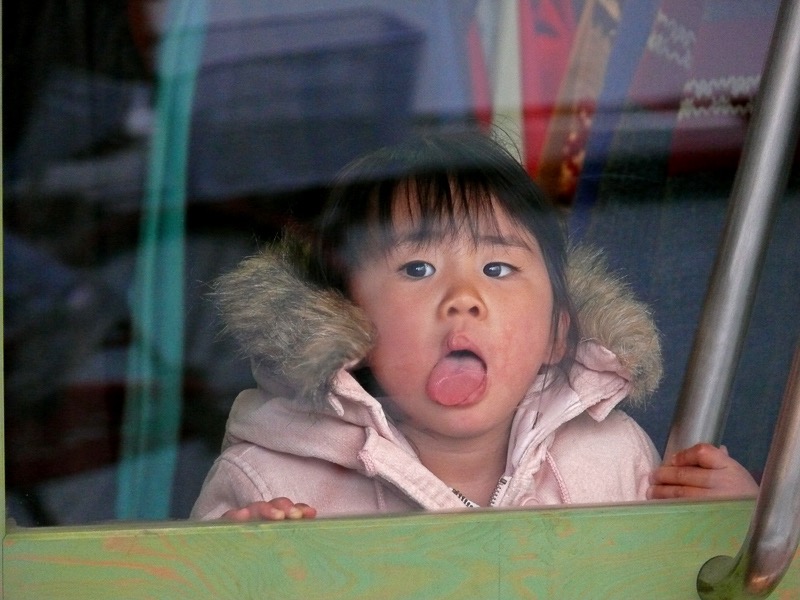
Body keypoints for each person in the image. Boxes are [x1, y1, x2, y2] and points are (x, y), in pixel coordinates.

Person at [191, 131, 757, 522]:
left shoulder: (612, 457)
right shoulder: (271, 476)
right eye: (418, 269)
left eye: (497, 268)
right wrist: (239, 558)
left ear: (558, 333)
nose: (463, 298)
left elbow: (675, 581)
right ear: (348, 324)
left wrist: (736, 526)